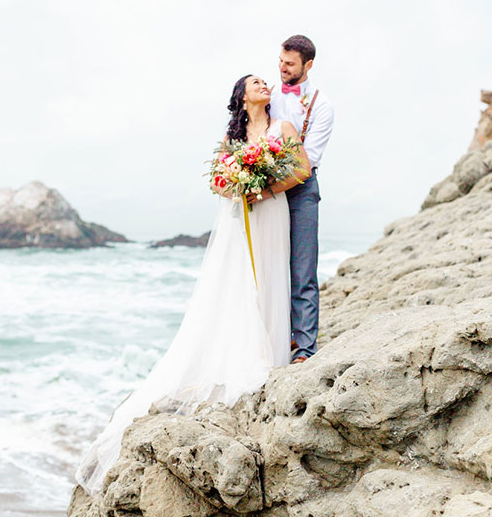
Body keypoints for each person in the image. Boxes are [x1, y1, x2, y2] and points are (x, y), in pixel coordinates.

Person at [75, 74, 310, 495]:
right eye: (256, 81)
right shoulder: (231, 138)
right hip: (241, 216)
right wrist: (238, 183)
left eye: (265, 80)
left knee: (272, 275)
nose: (264, 84)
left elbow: (301, 169)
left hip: (271, 211)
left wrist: (264, 188)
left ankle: (272, 350)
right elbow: (219, 182)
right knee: (236, 283)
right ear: (241, 97)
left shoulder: (283, 128)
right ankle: (244, 349)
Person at [269, 35, 334, 363]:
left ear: (308, 65)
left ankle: (305, 348)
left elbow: (307, 163)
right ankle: (276, 339)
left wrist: (268, 189)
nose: (282, 68)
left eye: (290, 64)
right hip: (266, 186)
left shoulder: (322, 105)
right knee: (270, 267)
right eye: (281, 60)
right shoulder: (268, 95)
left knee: (303, 268)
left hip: (301, 189)